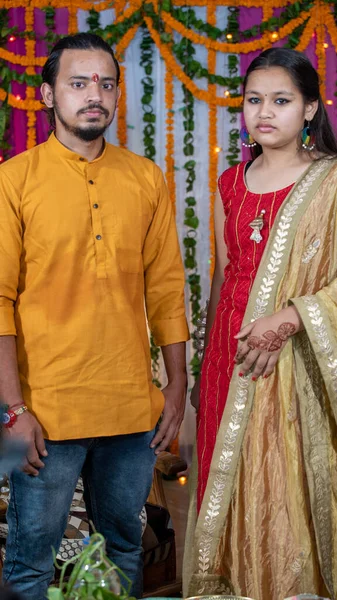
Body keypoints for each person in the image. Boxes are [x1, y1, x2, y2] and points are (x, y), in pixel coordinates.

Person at [0, 32, 189, 600]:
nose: (95, 96)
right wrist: (11, 410)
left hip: (131, 409)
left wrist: (177, 384)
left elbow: (166, 286)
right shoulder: (15, 180)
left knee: (120, 550)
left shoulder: (145, 178)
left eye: (106, 84)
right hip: (43, 412)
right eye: (78, 83)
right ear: (48, 94)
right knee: (30, 564)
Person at [183, 48, 337, 600]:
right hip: (231, 357)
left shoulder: (330, 183)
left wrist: (293, 317)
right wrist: (206, 365)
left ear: (311, 109)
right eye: (254, 100)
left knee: (280, 488)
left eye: (281, 100)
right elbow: (224, 276)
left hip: (295, 366)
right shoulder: (231, 183)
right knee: (231, 485)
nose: (264, 112)